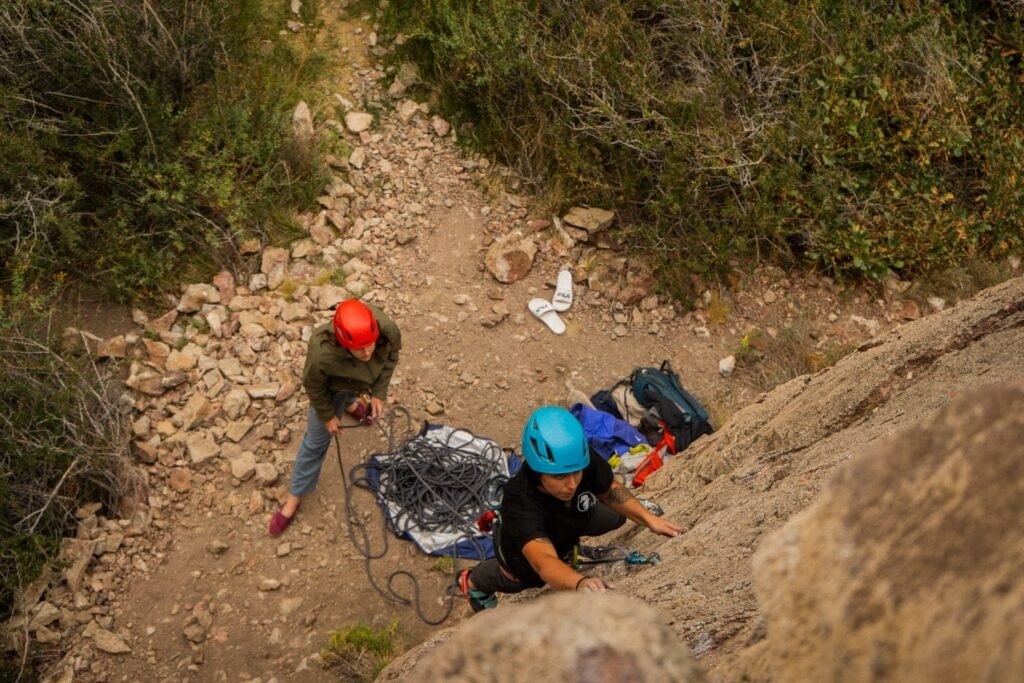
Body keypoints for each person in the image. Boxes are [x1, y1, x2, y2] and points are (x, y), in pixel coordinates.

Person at [456, 406, 684, 611]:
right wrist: (580, 583)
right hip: (525, 560)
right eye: (559, 476)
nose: (572, 483)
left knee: (616, 517)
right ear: (537, 470)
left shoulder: (578, 460)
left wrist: (646, 518)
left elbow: (608, 490)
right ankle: (472, 582)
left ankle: (627, 514)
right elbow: (544, 562)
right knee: (514, 577)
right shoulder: (520, 501)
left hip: (574, 517)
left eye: (577, 473)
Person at [269, 299, 401, 537]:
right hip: (331, 390)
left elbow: (391, 357)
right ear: (343, 343)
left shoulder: (386, 330)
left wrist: (379, 392)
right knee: (316, 443)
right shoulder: (322, 353)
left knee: (353, 387)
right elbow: (314, 387)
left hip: (360, 382)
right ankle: (294, 498)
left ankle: (350, 403)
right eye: (359, 348)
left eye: (369, 344)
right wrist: (328, 416)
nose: (367, 352)